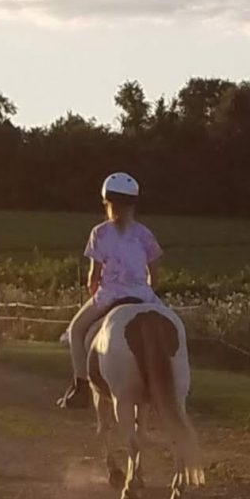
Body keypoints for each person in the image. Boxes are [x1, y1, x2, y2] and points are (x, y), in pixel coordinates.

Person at [57, 172, 164, 409]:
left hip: (111, 294)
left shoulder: (100, 232)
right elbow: (154, 275)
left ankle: (81, 387)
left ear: (107, 201)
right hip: (142, 295)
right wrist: (146, 292)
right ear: (133, 203)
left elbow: (93, 277)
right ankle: (177, 381)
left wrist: (93, 290)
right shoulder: (145, 234)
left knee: (76, 331)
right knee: (175, 327)